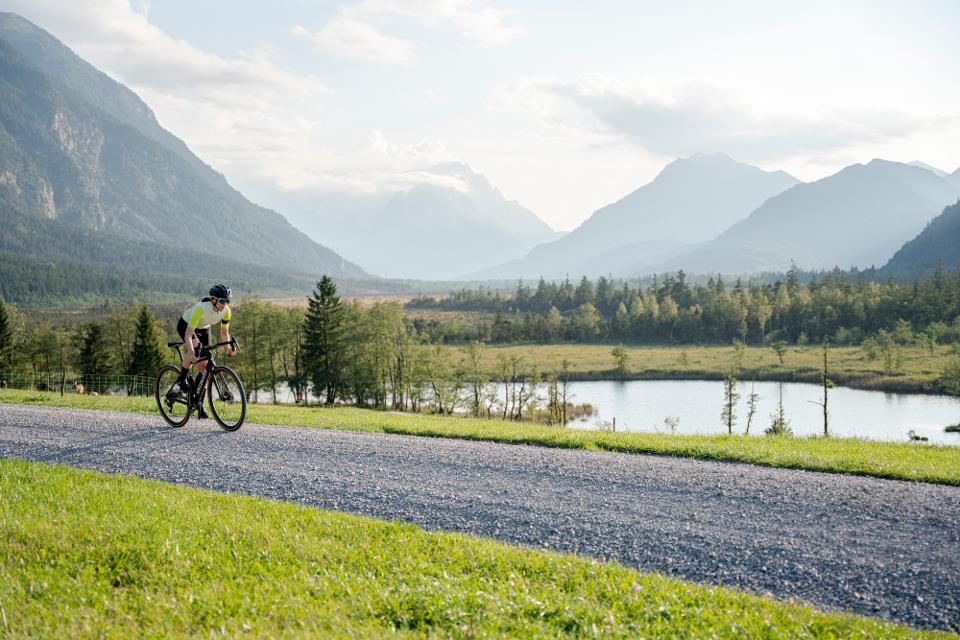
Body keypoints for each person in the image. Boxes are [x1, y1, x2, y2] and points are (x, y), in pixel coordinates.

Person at [177, 284, 236, 418]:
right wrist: (191, 351)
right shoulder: (201, 309)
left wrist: (228, 349)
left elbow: (224, 333)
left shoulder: (226, 311)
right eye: (222, 301)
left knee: (204, 369)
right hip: (186, 325)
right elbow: (188, 334)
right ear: (213, 299)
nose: (225, 304)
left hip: (204, 328)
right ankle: (181, 379)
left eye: (228, 301)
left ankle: (199, 404)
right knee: (196, 348)